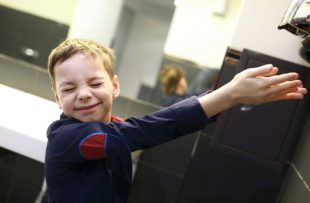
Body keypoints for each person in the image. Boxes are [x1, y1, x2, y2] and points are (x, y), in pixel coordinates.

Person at [45, 38, 307, 203]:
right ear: (57, 98)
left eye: (94, 83)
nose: (83, 94)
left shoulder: (110, 127)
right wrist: (231, 94)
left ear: (114, 86)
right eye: (68, 89)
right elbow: (137, 133)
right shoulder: (66, 138)